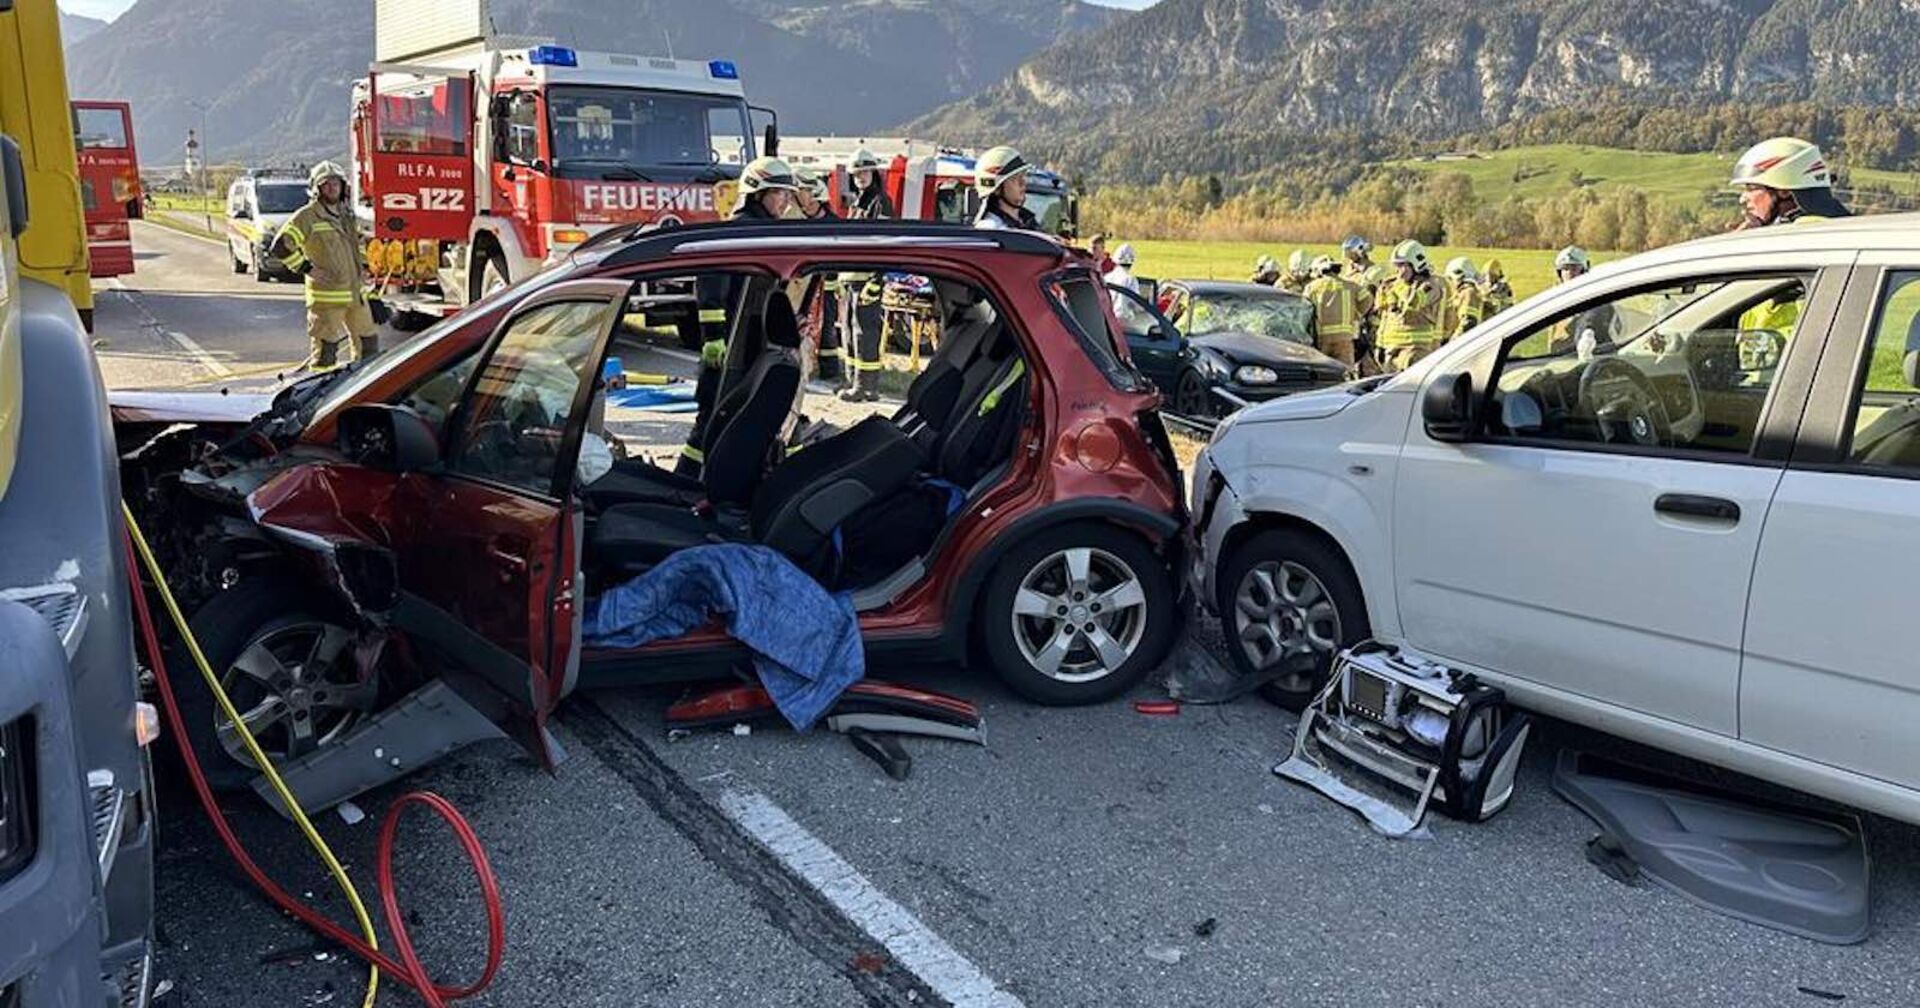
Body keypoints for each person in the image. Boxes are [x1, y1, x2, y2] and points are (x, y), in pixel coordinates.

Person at [272, 161, 378, 369]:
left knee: (369, 350)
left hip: (356, 296)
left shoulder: (347, 216)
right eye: (326, 184)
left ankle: (358, 394)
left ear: (343, 187)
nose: (332, 188)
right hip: (327, 300)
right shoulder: (307, 216)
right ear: (317, 188)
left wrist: (370, 289)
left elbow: (359, 250)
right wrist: (306, 268)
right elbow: (281, 247)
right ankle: (319, 397)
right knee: (325, 356)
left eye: (336, 184)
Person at [1730, 137, 1852, 230]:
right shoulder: (1840, 227)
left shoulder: (1799, 238)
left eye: (1751, 188)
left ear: (1784, 191)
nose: (1742, 199)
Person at [1374, 240, 1448, 372]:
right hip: (1391, 352)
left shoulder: (1430, 285)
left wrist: (1394, 290)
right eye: (1397, 266)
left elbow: (1414, 301)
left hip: (1415, 352)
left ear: (1417, 264)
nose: (1399, 272)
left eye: (1403, 266)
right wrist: (1380, 344)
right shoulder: (1392, 284)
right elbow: (1385, 318)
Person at [1549, 245, 1616, 356]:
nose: (1570, 273)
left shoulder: (1595, 298)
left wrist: (1587, 332)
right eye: (1565, 268)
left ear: (1584, 271)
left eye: (1574, 268)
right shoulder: (1555, 300)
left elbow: (1593, 316)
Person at [1302, 255, 1364, 367]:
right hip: (1345, 339)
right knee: (1345, 372)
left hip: (1321, 339)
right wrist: (1356, 314)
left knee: (1323, 373)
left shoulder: (1311, 288)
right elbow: (1367, 300)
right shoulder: (1350, 286)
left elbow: (1304, 309)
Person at [973, 146, 1040, 230]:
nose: (1023, 183)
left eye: (1023, 175)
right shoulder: (992, 230)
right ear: (997, 189)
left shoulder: (1027, 222)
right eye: (1014, 178)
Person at [730, 156, 800, 221]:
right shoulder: (742, 227)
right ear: (757, 194)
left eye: (789, 195)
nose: (787, 202)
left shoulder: (772, 225)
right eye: (780, 193)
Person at [1443, 257, 1487, 341]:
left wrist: (1452, 344)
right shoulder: (1462, 293)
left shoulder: (1468, 293)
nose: (1450, 283)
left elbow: (1468, 322)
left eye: (1450, 278)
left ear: (1458, 276)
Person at [847, 148, 894, 220]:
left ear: (873, 174)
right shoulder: (855, 204)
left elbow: (882, 230)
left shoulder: (881, 202)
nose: (862, 176)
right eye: (857, 173)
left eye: (865, 171)